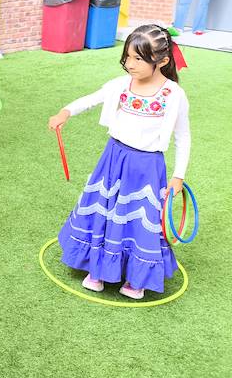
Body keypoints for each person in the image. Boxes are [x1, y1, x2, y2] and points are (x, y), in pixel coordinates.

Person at [48, 24, 191, 300]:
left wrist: (179, 175)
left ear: (162, 61)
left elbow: (183, 137)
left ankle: (136, 278)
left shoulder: (173, 95)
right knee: (105, 210)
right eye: (127, 56)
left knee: (138, 217)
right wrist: (65, 112)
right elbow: (93, 98)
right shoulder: (121, 84)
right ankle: (98, 270)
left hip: (146, 167)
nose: (130, 63)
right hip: (114, 158)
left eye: (138, 58)